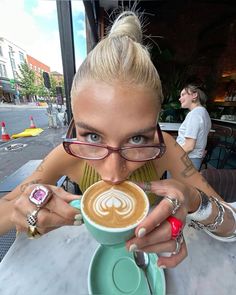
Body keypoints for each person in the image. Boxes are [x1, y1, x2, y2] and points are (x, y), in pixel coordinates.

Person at [0, 11, 235, 270]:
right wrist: (18, 212)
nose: (113, 174)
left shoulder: (165, 147)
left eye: (137, 138)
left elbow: (232, 226)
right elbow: (7, 207)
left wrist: (194, 201)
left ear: (156, 127)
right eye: (92, 136)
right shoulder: (70, 153)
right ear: (74, 126)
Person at [176, 84, 211, 170]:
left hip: (185, 160)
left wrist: (172, 156)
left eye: (183, 94)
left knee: (173, 183)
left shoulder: (195, 114)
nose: (180, 99)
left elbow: (189, 146)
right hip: (193, 160)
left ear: (194, 95)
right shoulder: (204, 113)